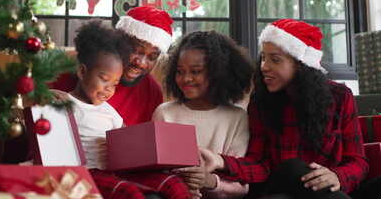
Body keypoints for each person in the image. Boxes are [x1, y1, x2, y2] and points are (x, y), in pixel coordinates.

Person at [199, 19, 381, 199]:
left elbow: (358, 162)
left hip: (331, 191)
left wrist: (337, 176)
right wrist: (220, 161)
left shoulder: (340, 96)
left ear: (302, 64)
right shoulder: (260, 102)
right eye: (263, 57)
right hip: (280, 188)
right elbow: (259, 164)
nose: (264, 67)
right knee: (292, 167)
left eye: (275, 60)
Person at [68, 20, 190, 199]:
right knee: (129, 191)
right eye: (137, 51)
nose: (109, 89)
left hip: (120, 170)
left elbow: (131, 141)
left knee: (173, 184)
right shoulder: (64, 98)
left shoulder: (111, 109)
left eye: (152, 56)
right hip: (84, 172)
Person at [153, 31, 254, 199]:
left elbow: (242, 187)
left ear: (219, 73)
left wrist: (209, 181)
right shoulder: (164, 113)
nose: (186, 78)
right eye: (180, 71)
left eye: (195, 71)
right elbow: (154, 173)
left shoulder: (237, 118)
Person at [52, 6, 174, 126]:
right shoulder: (78, 68)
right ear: (119, 40)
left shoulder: (152, 92)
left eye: (152, 57)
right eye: (136, 50)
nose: (141, 63)